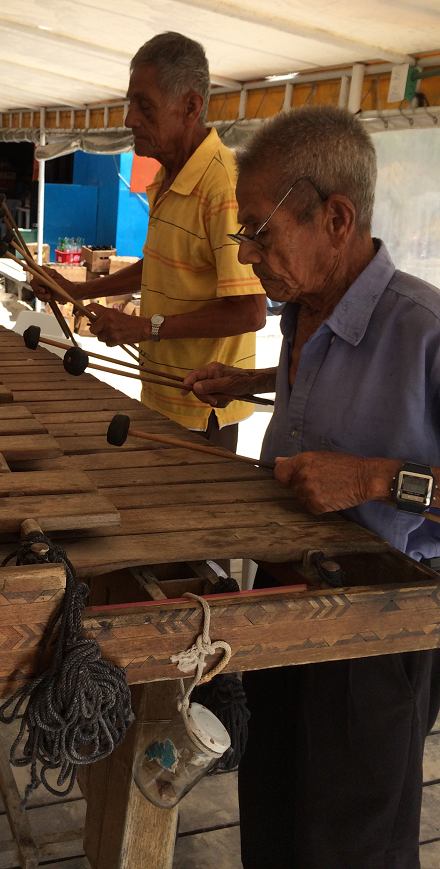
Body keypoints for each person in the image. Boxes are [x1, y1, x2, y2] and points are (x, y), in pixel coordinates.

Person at [182, 103, 440, 869]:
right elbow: (332, 376)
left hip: (380, 625)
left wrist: (370, 477)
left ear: (335, 217)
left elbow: (374, 439)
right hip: (282, 598)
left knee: (349, 839)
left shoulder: (425, 331)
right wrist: (253, 379)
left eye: (259, 230)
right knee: (272, 807)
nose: (248, 252)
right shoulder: (301, 313)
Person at [33, 32, 265, 451]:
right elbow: (161, 266)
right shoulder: (166, 177)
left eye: (144, 106)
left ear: (190, 106)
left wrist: (145, 327)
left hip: (202, 408)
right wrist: (75, 289)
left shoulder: (222, 184)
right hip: (160, 398)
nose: (129, 119)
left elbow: (249, 311)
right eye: (129, 103)